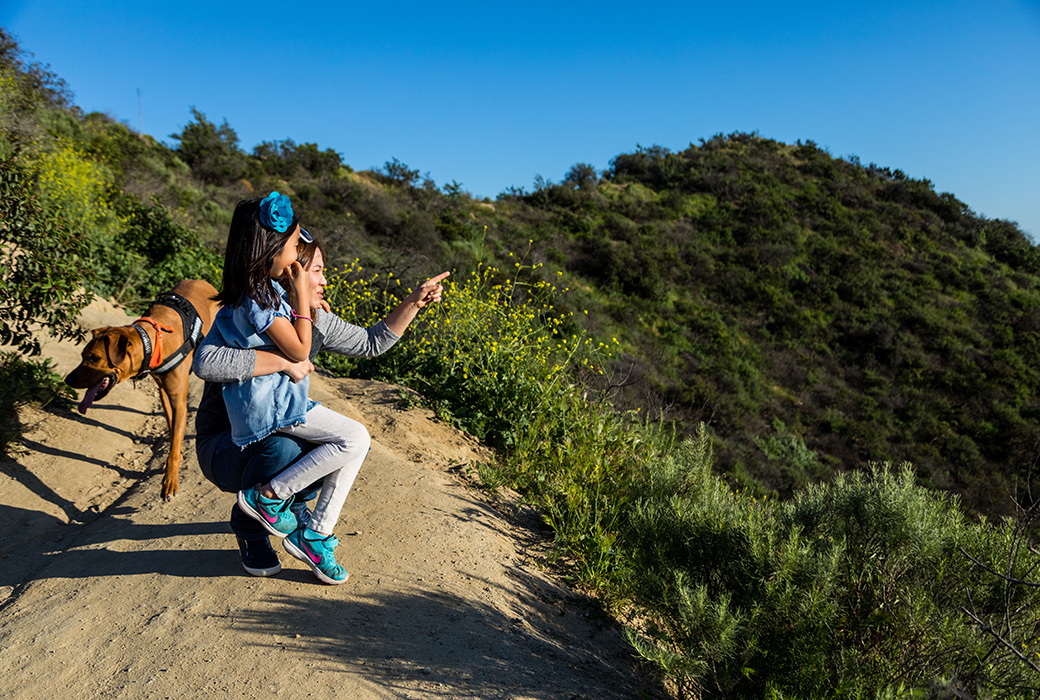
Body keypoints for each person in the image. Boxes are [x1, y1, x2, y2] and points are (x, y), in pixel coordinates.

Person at [193, 192, 447, 584]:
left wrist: (414, 302)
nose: (324, 281)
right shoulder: (257, 305)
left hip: (270, 420)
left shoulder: (311, 318)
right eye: (315, 270)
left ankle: (307, 527)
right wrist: (282, 360)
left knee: (326, 445)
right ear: (285, 269)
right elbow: (206, 362)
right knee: (299, 446)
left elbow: (370, 342)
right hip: (225, 442)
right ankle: (255, 519)